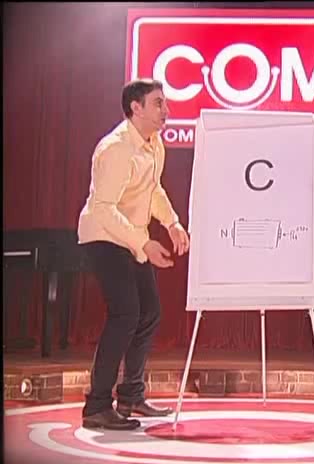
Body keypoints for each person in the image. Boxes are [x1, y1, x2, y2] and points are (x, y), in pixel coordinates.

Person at [77, 78, 190, 430]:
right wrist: (144, 244)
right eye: (158, 103)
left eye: (165, 103)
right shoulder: (115, 148)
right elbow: (103, 208)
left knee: (150, 313)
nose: (166, 110)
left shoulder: (155, 144)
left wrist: (172, 223)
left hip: (132, 237)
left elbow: (153, 190)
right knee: (125, 313)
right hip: (104, 235)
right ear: (135, 108)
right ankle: (97, 406)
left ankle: (130, 396)